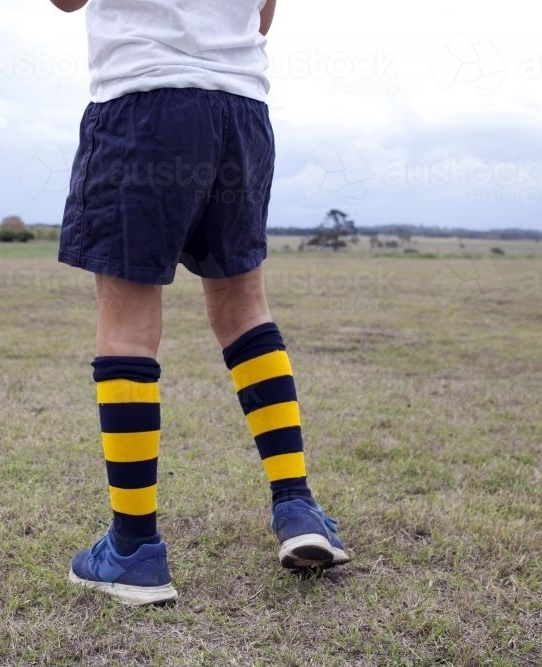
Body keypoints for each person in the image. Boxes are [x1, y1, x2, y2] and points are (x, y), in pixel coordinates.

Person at [50, 0, 350, 606]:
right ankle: (298, 508)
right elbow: (262, 17)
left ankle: (133, 550)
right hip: (239, 109)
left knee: (128, 323)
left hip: (143, 99)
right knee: (245, 306)